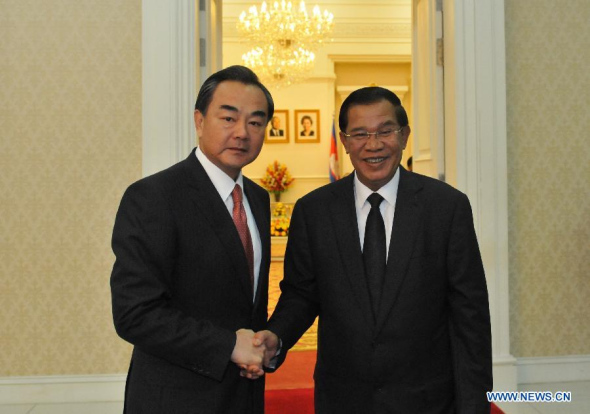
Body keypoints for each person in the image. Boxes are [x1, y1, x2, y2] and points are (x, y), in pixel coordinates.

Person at [254, 86, 492, 413]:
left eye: (385, 131)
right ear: (345, 141)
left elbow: (470, 316)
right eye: (360, 134)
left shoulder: (446, 208)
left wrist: (474, 404)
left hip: (428, 399)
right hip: (343, 398)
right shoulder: (314, 211)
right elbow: (301, 294)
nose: (374, 144)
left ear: (405, 135)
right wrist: (276, 336)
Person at [110, 65, 273, 414]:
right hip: (175, 398)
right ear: (199, 121)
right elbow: (135, 313)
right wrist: (229, 345)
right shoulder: (154, 196)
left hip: (244, 396)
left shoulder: (258, 199)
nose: (242, 133)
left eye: (256, 122)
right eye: (228, 119)